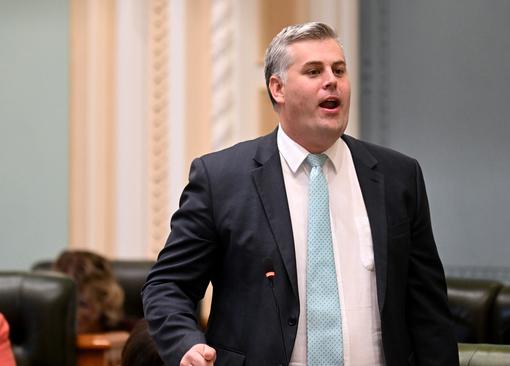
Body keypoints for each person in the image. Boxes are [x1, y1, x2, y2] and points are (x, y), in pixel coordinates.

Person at [142, 22, 458, 366]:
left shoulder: (398, 177)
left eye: (339, 69)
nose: (332, 80)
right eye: (313, 71)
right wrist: (185, 344)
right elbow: (167, 286)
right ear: (277, 88)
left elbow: (429, 311)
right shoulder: (222, 179)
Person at [54, 250, 125, 333]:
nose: (68, 313)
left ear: (105, 303)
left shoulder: (131, 331)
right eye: (61, 302)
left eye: (82, 304)